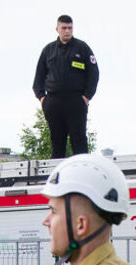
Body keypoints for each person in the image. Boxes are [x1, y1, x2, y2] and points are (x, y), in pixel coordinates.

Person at [31, 14, 98, 159]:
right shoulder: (48, 50)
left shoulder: (82, 48)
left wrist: (87, 96)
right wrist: (43, 98)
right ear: (57, 29)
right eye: (64, 28)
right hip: (54, 102)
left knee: (78, 140)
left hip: (76, 100)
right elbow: (39, 77)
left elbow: (94, 74)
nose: (67, 31)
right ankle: (57, 179)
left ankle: (82, 174)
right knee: (57, 141)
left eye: (70, 28)